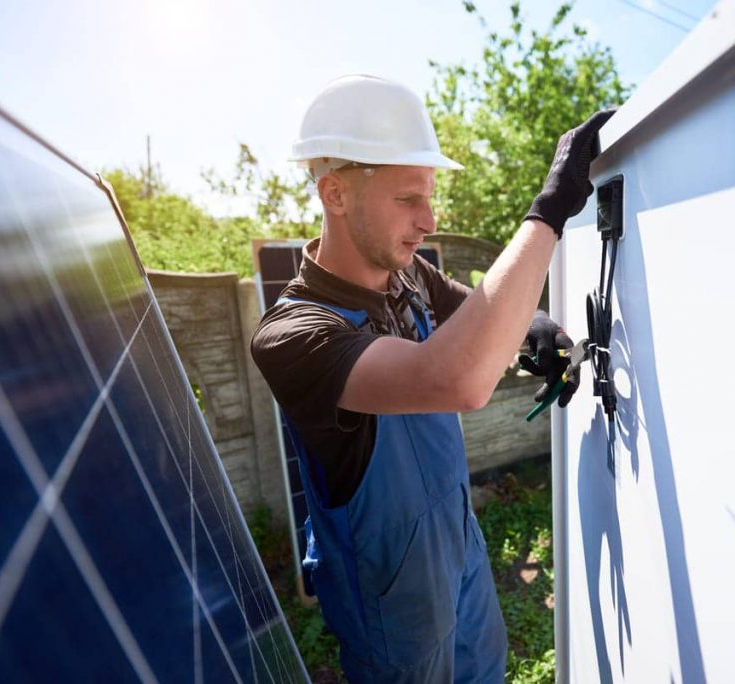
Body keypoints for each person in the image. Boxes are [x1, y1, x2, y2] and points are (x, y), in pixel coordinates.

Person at [251, 73, 613, 683]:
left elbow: (479, 313)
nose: (428, 218)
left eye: (430, 194)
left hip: (459, 545)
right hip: (389, 598)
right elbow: (456, 378)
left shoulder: (407, 273)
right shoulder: (294, 336)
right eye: (407, 198)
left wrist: (539, 328)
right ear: (335, 193)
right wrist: (548, 212)